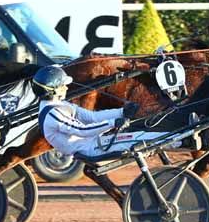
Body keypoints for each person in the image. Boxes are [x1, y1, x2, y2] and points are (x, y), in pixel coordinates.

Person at [33, 65, 182, 159]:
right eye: (63, 85)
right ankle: (181, 140)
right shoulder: (53, 114)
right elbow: (82, 130)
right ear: (52, 90)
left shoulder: (58, 106)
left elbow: (92, 117)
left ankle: (179, 138)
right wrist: (113, 123)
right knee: (141, 138)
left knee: (140, 131)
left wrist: (121, 112)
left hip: (96, 142)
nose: (66, 88)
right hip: (93, 148)